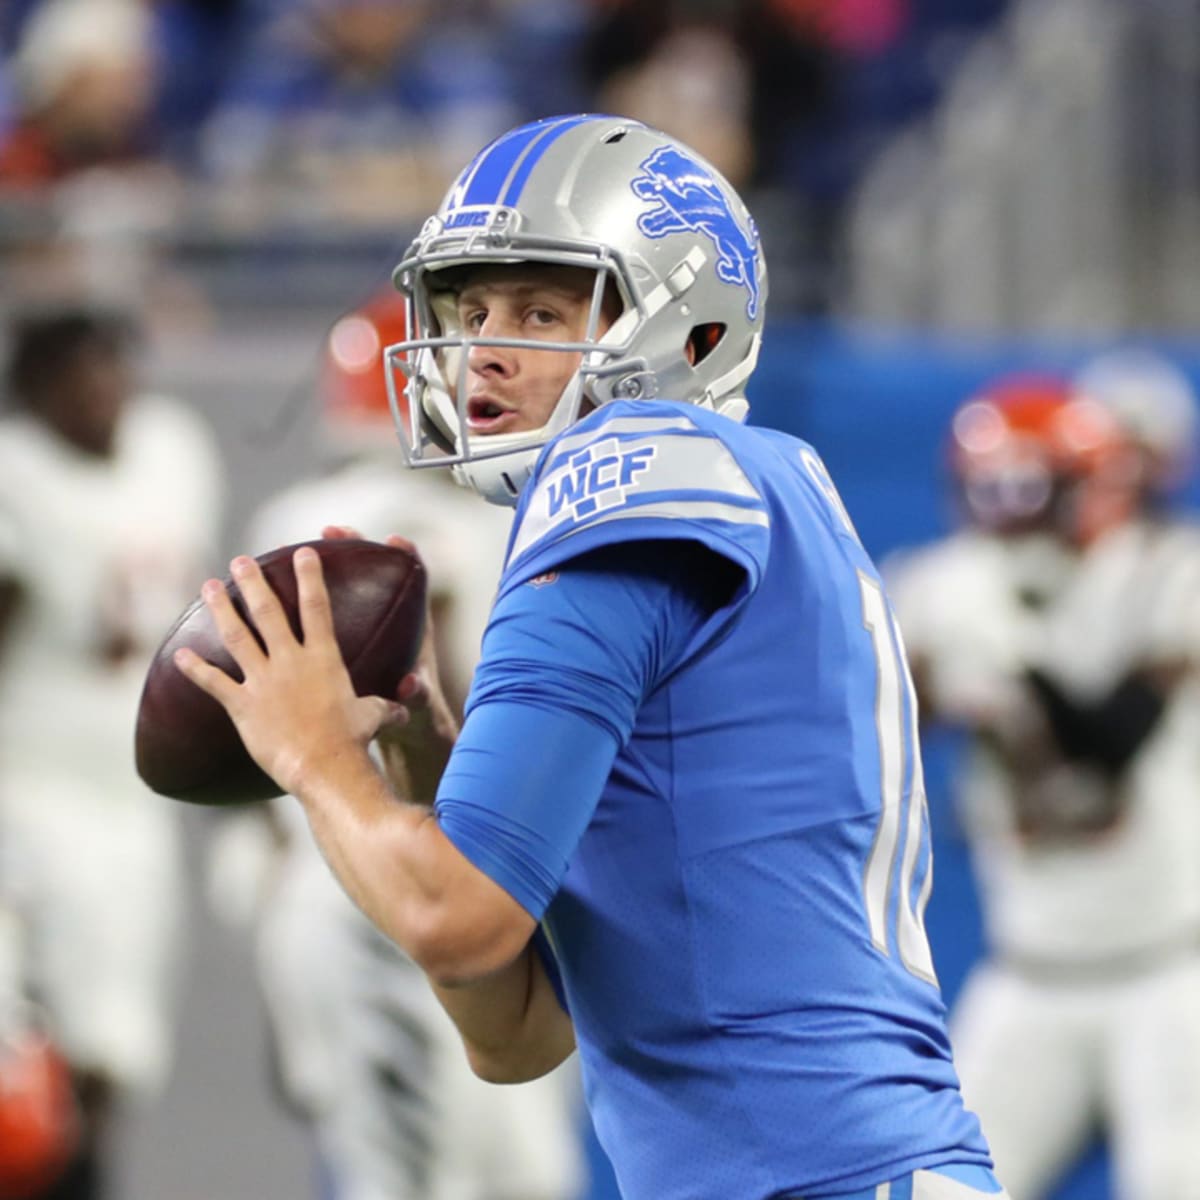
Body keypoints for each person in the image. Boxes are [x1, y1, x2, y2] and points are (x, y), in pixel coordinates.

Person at [175, 113, 1007, 1200]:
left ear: (690, 333)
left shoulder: (630, 470)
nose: (485, 349)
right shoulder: (762, 474)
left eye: (541, 307)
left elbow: (451, 916)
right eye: (471, 310)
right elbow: (516, 1035)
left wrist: (312, 756)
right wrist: (423, 761)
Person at [207, 288, 584, 1200]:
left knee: (412, 1173)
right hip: (449, 876)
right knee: (493, 1173)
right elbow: (438, 696)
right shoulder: (488, 525)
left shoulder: (290, 523)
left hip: (341, 876)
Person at [887, 373, 1200, 1200]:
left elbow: (1106, 747)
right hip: (1029, 971)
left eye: (1035, 487)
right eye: (992, 489)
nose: (1012, 512)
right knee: (942, 1192)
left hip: (1171, 968)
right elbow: (874, 747)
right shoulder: (941, 586)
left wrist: (1015, 661)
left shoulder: (1169, 573)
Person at [0, 304, 225, 1199]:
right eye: (75, 375)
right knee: (23, 1050)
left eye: (111, 367)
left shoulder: (172, 450)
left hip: (131, 799)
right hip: (24, 787)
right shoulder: (16, 474)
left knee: (111, 1052)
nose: (101, 392)